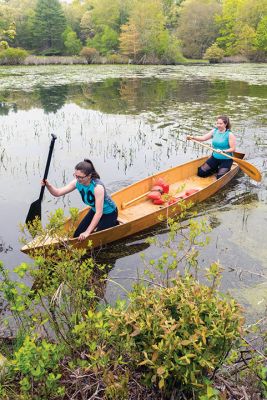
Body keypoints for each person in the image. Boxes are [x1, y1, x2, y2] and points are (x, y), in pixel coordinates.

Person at [42, 159, 118, 241]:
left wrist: (87, 232)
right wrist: (48, 185)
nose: (78, 179)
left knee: (96, 239)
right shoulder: (77, 183)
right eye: (76, 176)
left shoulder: (97, 187)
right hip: (94, 210)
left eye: (80, 177)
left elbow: (99, 213)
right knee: (77, 236)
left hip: (109, 213)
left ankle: (113, 223)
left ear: (89, 176)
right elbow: (57, 193)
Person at [187, 115, 236, 179]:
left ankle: (222, 169)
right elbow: (203, 138)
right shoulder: (214, 131)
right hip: (215, 157)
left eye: (220, 123)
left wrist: (223, 151)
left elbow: (233, 149)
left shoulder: (230, 134)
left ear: (225, 124)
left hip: (226, 159)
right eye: (217, 123)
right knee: (201, 173)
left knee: (220, 178)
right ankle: (215, 168)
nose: (218, 125)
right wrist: (192, 137)